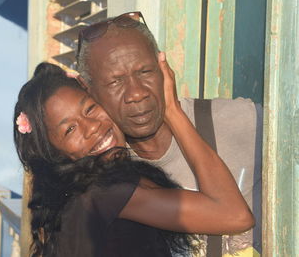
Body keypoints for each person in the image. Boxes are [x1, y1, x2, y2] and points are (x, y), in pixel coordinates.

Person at [13, 62, 254, 257]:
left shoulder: (75, 204)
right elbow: (235, 216)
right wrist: (171, 110)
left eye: (89, 108)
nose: (92, 128)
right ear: (55, 155)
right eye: (70, 130)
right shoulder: (105, 193)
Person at [76, 12, 262, 256]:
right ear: (88, 90)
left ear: (163, 67)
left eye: (145, 72)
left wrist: (173, 112)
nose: (136, 93)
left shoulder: (242, 121)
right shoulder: (115, 180)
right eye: (115, 82)